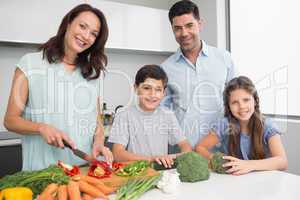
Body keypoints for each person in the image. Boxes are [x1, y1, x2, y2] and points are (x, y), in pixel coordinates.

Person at [4, 4, 113, 170]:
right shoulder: (30, 63)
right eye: (82, 26)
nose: (86, 36)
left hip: (83, 171)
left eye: (93, 34)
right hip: (42, 173)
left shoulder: (92, 73)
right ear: (68, 23)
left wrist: (99, 142)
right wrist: (41, 128)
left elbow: (96, 121)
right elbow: (10, 120)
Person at [161, 0, 235, 148]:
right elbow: (163, 112)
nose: (184, 33)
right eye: (177, 28)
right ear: (172, 30)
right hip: (183, 150)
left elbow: (237, 100)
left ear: (200, 24)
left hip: (221, 148)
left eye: (189, 26)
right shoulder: (165, 68)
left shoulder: (224, 58)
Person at [195, 76, 288, 175]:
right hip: (234, 180)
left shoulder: (268, 126)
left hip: (262, 180)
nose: (242, 106)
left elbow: (282, 162)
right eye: (235, 102)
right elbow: (200, 147)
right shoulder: (225, 124)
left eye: (246, 100)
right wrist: (215, 160)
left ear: (255, 101)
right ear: (228, 107)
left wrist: (249, 165)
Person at [108, 65, 192, 168]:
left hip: (161, 173)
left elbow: (185, 145)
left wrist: (177, 156)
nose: (152, 94)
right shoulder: (124, 115)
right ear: (136, 88)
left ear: (163, 93)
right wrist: (151, 160)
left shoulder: (167, 114)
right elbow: (118, 154)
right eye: (147, 88)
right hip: (136, 173)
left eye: (158, 89)